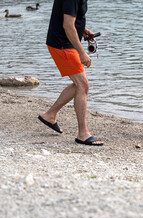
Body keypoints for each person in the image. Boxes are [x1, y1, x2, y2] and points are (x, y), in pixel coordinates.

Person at [38, 0, 103, 146]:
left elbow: (69, 18)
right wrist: (82, 52)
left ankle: (49, 115)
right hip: (62, 44)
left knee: (79, 84)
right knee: (83, 85)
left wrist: (82, 29)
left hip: (64, 41)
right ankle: (83, 134)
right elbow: (67, 25)